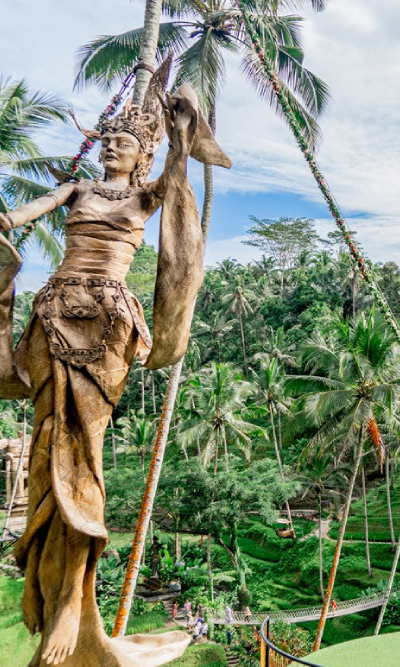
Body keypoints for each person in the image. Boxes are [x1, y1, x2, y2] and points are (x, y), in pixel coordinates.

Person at [2, 62, 230, 667]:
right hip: (53, 314)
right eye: (106, 140)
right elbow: (30, 210)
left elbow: (176, 187)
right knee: (48, 444)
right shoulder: (78, 189)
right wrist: (8, 223)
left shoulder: (145, 194)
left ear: (141, 155)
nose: (109, 149)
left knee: (84, 457)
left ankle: (75, 607)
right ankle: (53, 596)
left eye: (122, 143)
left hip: (106, 326)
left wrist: (181, 130)